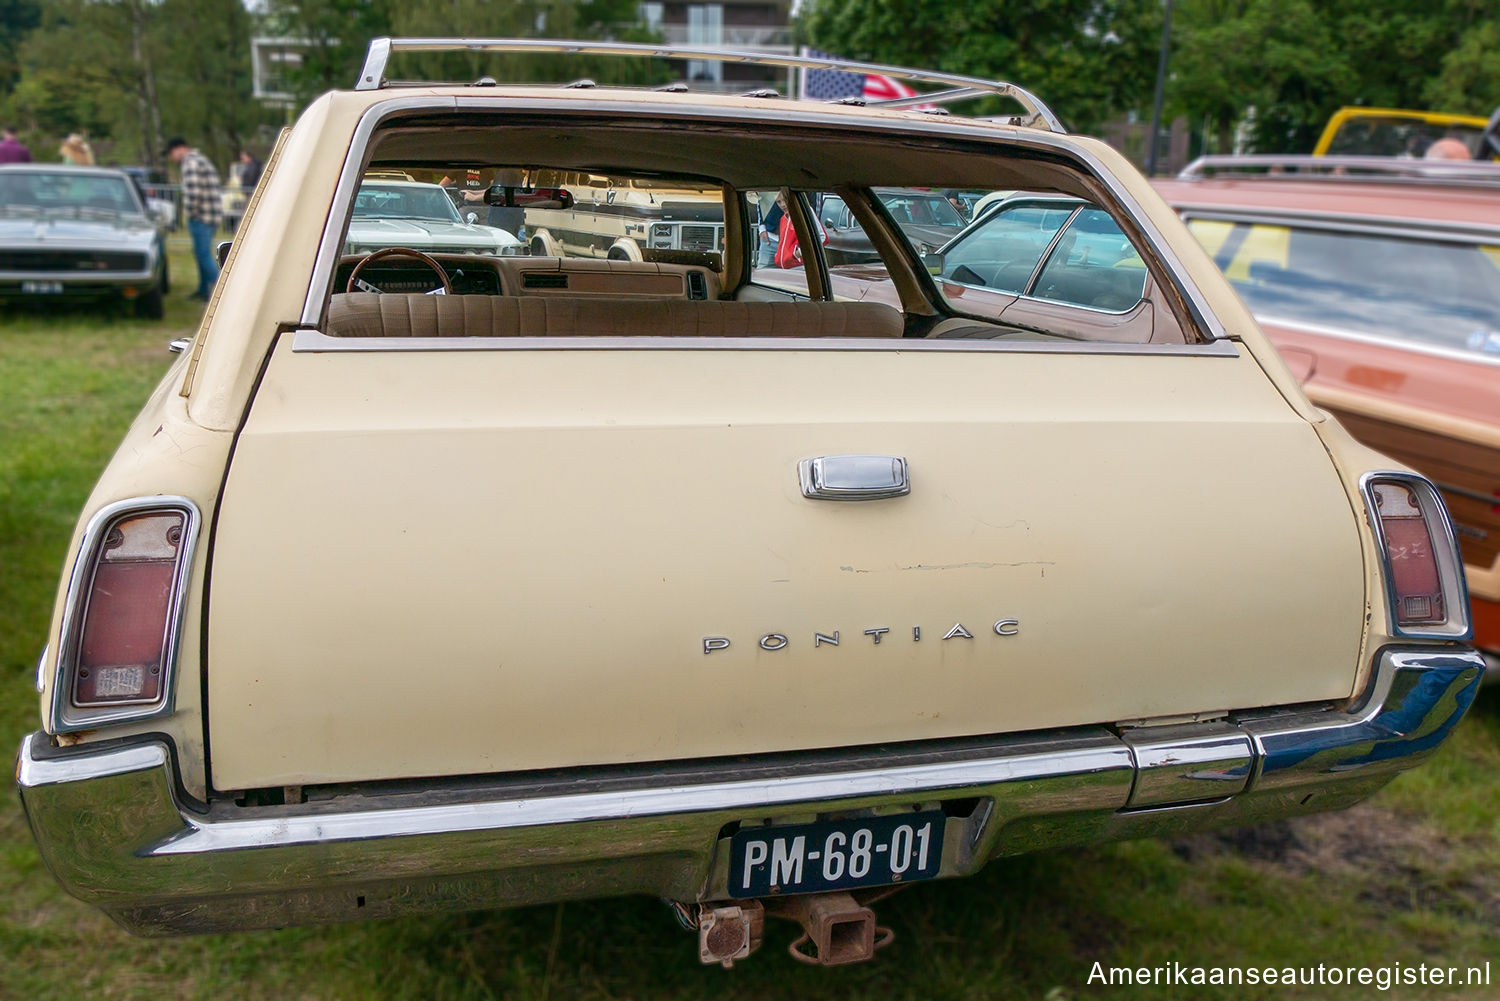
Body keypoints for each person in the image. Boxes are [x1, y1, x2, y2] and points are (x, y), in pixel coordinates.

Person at [165, 137, 223, 300]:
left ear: (179, 149)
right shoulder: (200, 160)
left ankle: (223, 291)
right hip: (210, 214)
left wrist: (189, 213)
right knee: (200, 253)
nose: (172, 158)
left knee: (203, 254)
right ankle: (203, 290)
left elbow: (193, 194)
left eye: (171, 153)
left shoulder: (189, 164)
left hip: (202, 217)